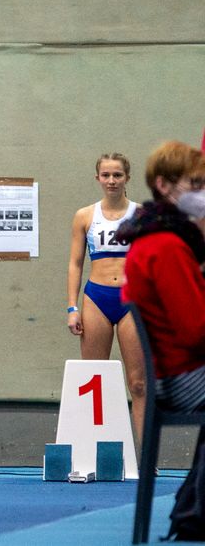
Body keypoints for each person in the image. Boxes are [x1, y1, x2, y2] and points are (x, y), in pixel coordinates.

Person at [118, 141, 205, 540]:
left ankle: (194, 506)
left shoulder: (155, 240)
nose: (204, 193)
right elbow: (195, 331)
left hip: (177, 369)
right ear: (165, 185)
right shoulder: (166, 246)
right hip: (182, 375)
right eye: (197, 183)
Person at [65, 152, 146, 434]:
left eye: (117, 175)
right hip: (97, 298)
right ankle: (94, 450)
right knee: (94, 379)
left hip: (131, 302)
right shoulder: (85, 216)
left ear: (127, 178)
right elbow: (75, 264)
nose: (112, 181)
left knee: (138, 383)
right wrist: (72, 308)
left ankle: (142, 456)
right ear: (98, 178)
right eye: (106, 175)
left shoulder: (142, 215)